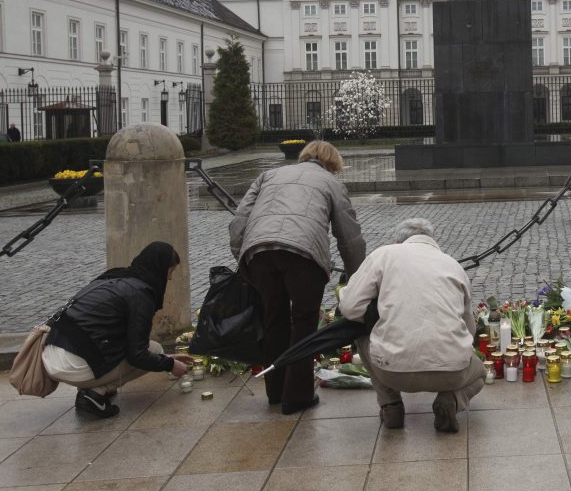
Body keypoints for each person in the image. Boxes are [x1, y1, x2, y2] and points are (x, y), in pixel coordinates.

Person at [230, 140, 366, 415]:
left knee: (273, 319)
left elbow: (238, 222)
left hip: (260, 253)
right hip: (304, 255)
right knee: (304, 323)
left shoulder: (269, 175)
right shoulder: (331, 183)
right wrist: (357, 277)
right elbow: (349, 237)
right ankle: (298, 395)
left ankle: (275, 391)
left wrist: (243, 258)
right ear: (333, 164)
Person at [338, 218, 484, 433]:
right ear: (432, 240)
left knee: (361, 334)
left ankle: (391, 404)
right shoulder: (453, 265)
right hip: (451, 370)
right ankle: (451, 400)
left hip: (391, 370)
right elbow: (469, 330)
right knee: (479, 373)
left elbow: (349, 309)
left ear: (397, 241)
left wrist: (377, 318)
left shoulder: (384, 254)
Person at [41, 242, 193, 418]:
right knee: (154, 349)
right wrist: (170, 365)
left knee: (149, 352)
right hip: (74, 363)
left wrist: (165, 359)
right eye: (170, 271)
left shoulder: (114, 276)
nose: (170, 278)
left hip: (52, 348)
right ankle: (95, 393)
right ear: (159, 269)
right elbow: (137, 355)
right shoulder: (140, 295)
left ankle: (94, 386)